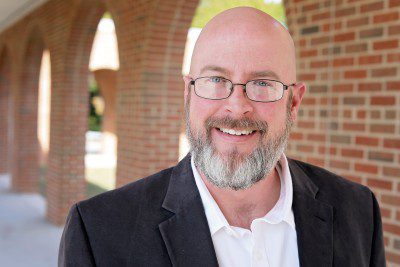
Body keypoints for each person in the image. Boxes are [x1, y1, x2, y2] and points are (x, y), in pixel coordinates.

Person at [58, 7, 385, 267]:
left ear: (294, 101)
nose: (236, 107)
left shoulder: (357, 211)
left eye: (262, 83)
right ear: (188, 93)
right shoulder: (99, 232)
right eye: (216, 79)